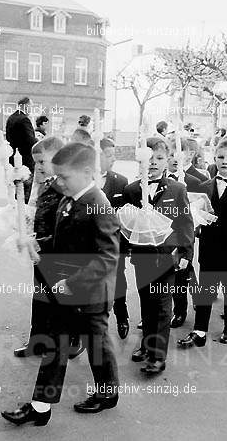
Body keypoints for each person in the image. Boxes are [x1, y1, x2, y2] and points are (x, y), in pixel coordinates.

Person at [1, 142, 120, 426]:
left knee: (97, 345)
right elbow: (60, 240)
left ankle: (108, 392)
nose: (58, 182)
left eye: (64, 177)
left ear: (88, 172)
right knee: (54, 345)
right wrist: (35, 242)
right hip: (63, 290)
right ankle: (40, 406)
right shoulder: (68, 199)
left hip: (90, 294)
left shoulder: (99, 205)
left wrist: (73, 283)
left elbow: (108, 257)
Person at [178, 138, 227, 348]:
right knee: (205, 291)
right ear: (214, 159)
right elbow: (196, 217)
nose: (225, 161)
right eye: (220, 157)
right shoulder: (204, 186)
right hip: (210, 248)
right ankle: (199, 330)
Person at [123, 137, 194, 374]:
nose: (153, 163)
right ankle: (146, 343)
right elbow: (126, 225)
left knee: (163, 306)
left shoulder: (177, 189)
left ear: (167, 161)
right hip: (142, 258)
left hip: (167, 257)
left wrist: (185, 252)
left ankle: (157, 356)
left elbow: (185, 224)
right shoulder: (131, 190)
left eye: (159, 159)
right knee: (147, 303)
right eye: (149, 159)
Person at [13, 136, 65, 358]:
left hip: (57, 252)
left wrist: (38, 241)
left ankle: (54, 344)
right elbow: (32, 205)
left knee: (54, 301)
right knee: (40, 296)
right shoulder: (42, 183)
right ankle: (37, 340)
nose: (38, 167)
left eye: (42, 162)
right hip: (41, 249)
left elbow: (63, 229)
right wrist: (17, 182)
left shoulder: (63, 187)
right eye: (36, 162)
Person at [164, 138, 201, 329]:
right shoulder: (158, 181)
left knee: (181, 273)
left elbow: (201, 208)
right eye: (170, 155)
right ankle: (159, 312)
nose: (174, 159)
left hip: (184, 234)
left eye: (178, 155)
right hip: (163, 236)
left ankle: (180, 311)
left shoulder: (195, 181)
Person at [99, 138, 130, 339]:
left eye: (113, 154)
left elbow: (126, 217)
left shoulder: (120, 181)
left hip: (114, 245)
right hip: (89, 247)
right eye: (108, 154)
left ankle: (122, 316)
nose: (113, 159)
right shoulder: (83, 181)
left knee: (118, 281)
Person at [5, 97, 37, 171]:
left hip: (13, 157)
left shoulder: (11, 118)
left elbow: (8, 137)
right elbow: (30, 141)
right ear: (26, 106)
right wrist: (38, 141)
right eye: (31, 107)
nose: (31, 109)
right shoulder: (24, 119)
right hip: (25, 160)